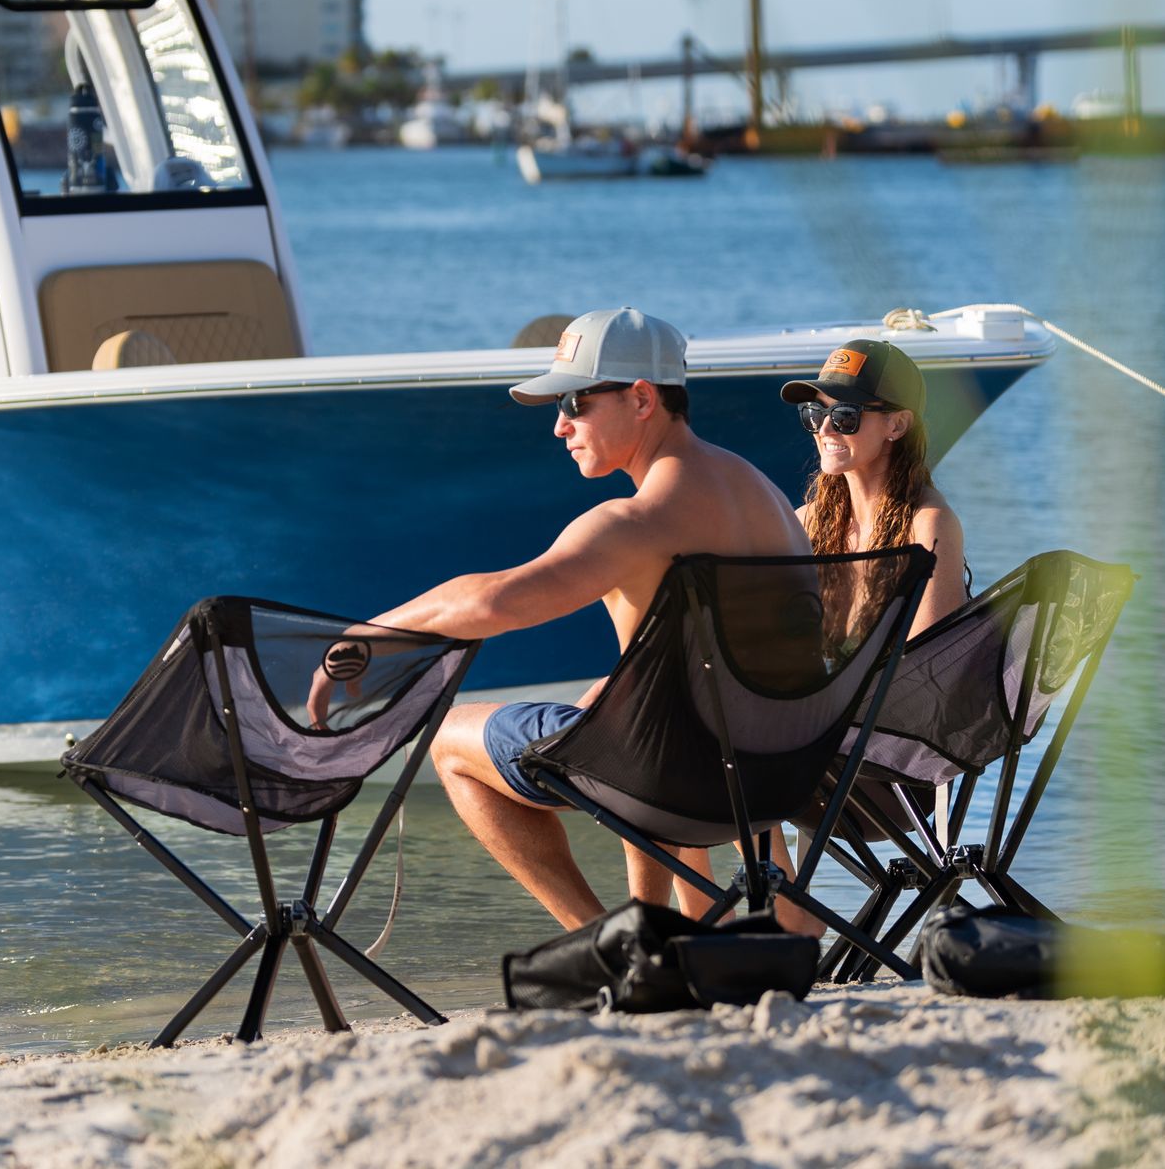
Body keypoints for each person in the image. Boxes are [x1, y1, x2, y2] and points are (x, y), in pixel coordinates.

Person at [387, 307, 807, 931]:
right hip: (778, 769)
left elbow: (493, 603)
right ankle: (713, 921)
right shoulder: (764, 495)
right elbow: (722, 668)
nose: (560, 426)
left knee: (450, 740)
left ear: (642, 398)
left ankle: (604, 940)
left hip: (675, 776)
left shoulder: (631, 523)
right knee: (636, 715)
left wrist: (367, 635)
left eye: (576, 402)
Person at [781, 338, 969, 640]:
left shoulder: (928, 525)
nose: (824, 429)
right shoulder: (805, 522)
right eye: (815, 412)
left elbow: (929, 662)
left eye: (845, 416)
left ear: (896, 425)